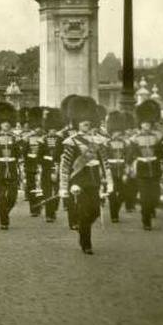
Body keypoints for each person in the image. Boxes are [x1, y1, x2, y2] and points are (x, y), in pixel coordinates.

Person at [59, 96, 111, 254]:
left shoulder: (98, 141)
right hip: (79, 181)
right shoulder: (71, 142)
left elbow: (105, 163)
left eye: (88, 120)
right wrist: (64, 187)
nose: (86, 123)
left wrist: (109, 182)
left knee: (94, 210)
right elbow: (66, 165)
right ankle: (86, 243)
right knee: (84, 210)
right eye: (82, 121)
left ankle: (82, 227)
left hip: (94, 179)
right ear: (77, 123)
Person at [125, 100, 163, 230]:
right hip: (141, 170)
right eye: (144, 123)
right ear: (140, 124)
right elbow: (130, 155)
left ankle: (150, 210)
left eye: (148, 123)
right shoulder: (134, 138)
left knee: (155, 196)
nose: (146, 125)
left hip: (155, 169)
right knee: (145, 197)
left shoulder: (157, 137)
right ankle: (146, 220)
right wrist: (130, 165)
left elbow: (161, 153)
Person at [0, 102, 21, 230]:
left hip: (12, 169)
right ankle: (4, 221)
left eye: (8, 122)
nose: (6, 124)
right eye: (3, 122)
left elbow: (19, 155)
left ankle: (4, 213)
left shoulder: (15, 138)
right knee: (1, 196)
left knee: (12, 197)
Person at [103, 111, 130, 223]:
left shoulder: (125, 143)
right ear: (111, 131)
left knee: (124, 193)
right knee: (112, 194)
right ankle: (114, 215)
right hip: (111, 171)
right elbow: (104, 158)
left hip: (122, 170)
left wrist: (127, 168)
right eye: (114, 132)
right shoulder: (106, 143)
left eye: (118, 132)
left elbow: (127, 156)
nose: (117, 134)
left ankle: (115, 210)